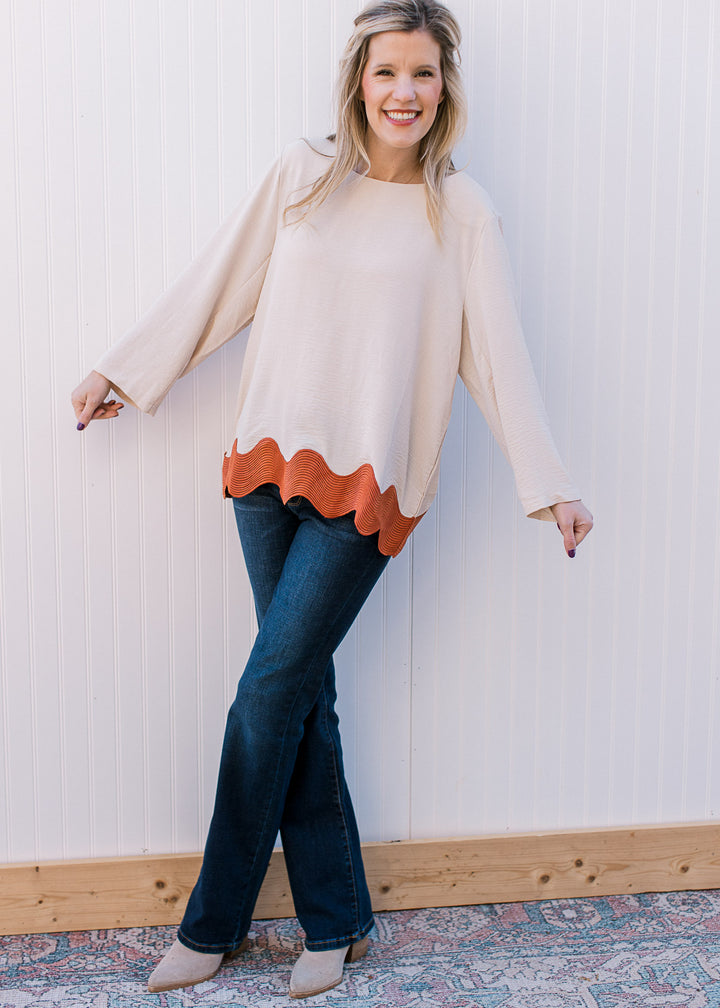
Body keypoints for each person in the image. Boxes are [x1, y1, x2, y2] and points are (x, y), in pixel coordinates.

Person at [72, 0, 593, 998]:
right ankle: (337, 920)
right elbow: (213, 288)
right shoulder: (300, 178)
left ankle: (212, 923)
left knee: (269, 691)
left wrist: (551, 487)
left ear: (448, 87)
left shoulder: (462, 213)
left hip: (370, 488)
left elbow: (501, 365)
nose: (405, 92)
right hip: (263, 472)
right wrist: (124, 372)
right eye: (388, 72)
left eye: (424, 75)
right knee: (301, 698)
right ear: (358, 78)